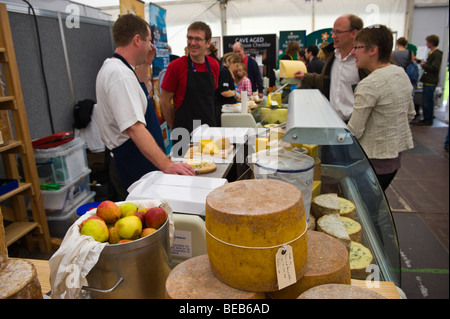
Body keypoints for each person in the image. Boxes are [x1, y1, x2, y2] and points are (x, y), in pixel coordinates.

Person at [95, 14, 194, 198]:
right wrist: (168, 165)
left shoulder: (120, 69)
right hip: (132, 163)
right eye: (149, 40)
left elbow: (139, 88)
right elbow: (134, 128)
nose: (151, 46)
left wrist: (147, 62)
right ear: (137, 40)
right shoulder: (119, 75)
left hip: (139, 160)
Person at [348, 25, 415, 191]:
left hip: (372, 162)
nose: (353, 52)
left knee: (365, 208)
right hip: (394, 159)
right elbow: (410, 114)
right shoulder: (400, 74)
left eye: (357, 47)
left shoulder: (369, 84)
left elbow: (354, 131)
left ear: (373, 50)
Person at [294, 14, 368, 122]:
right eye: (333, 32)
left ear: (354, 33)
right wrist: (305, 76)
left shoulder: (364, 61)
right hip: (333, 122)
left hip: (356, 125)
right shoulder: (332, 57)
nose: (333, 36)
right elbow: (325, 81)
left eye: (338, 32)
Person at [160, 21, 220, 134]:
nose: (192, 43)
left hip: (208, 129)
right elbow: (164, 100)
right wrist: (174, 127)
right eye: (190, 38)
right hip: (183, 131)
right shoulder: (175, 66)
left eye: (198, 39)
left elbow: (210, 97)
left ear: (208, 43)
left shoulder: (214, 65)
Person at [417, 34, 443, 126]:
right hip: (428, 80)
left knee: (427, 101)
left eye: (427, 42)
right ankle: (427, 118)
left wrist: (423, 65)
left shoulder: (437, 54)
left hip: (430, 81)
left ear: (431, 43)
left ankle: (428, 120)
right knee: (427, 101)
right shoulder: (432, 53)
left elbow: (434, 67)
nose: (426, 44)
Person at [215, 52, 240, 126]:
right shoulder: (225, 71)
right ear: (232, 62)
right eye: (236, 65)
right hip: (223, 109)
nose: (236, 69)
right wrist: (235, 94)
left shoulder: (222, 70)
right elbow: (224, 92)